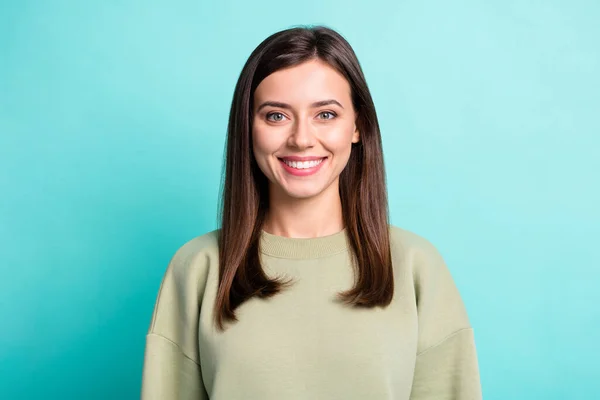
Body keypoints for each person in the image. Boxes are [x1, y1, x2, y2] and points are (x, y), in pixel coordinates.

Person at [141, 25, 482, 400]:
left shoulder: (416, 266)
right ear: (248, 128)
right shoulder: (198, 268)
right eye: (276, 116)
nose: (301, 139)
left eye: (325, 115)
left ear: (358, 126)